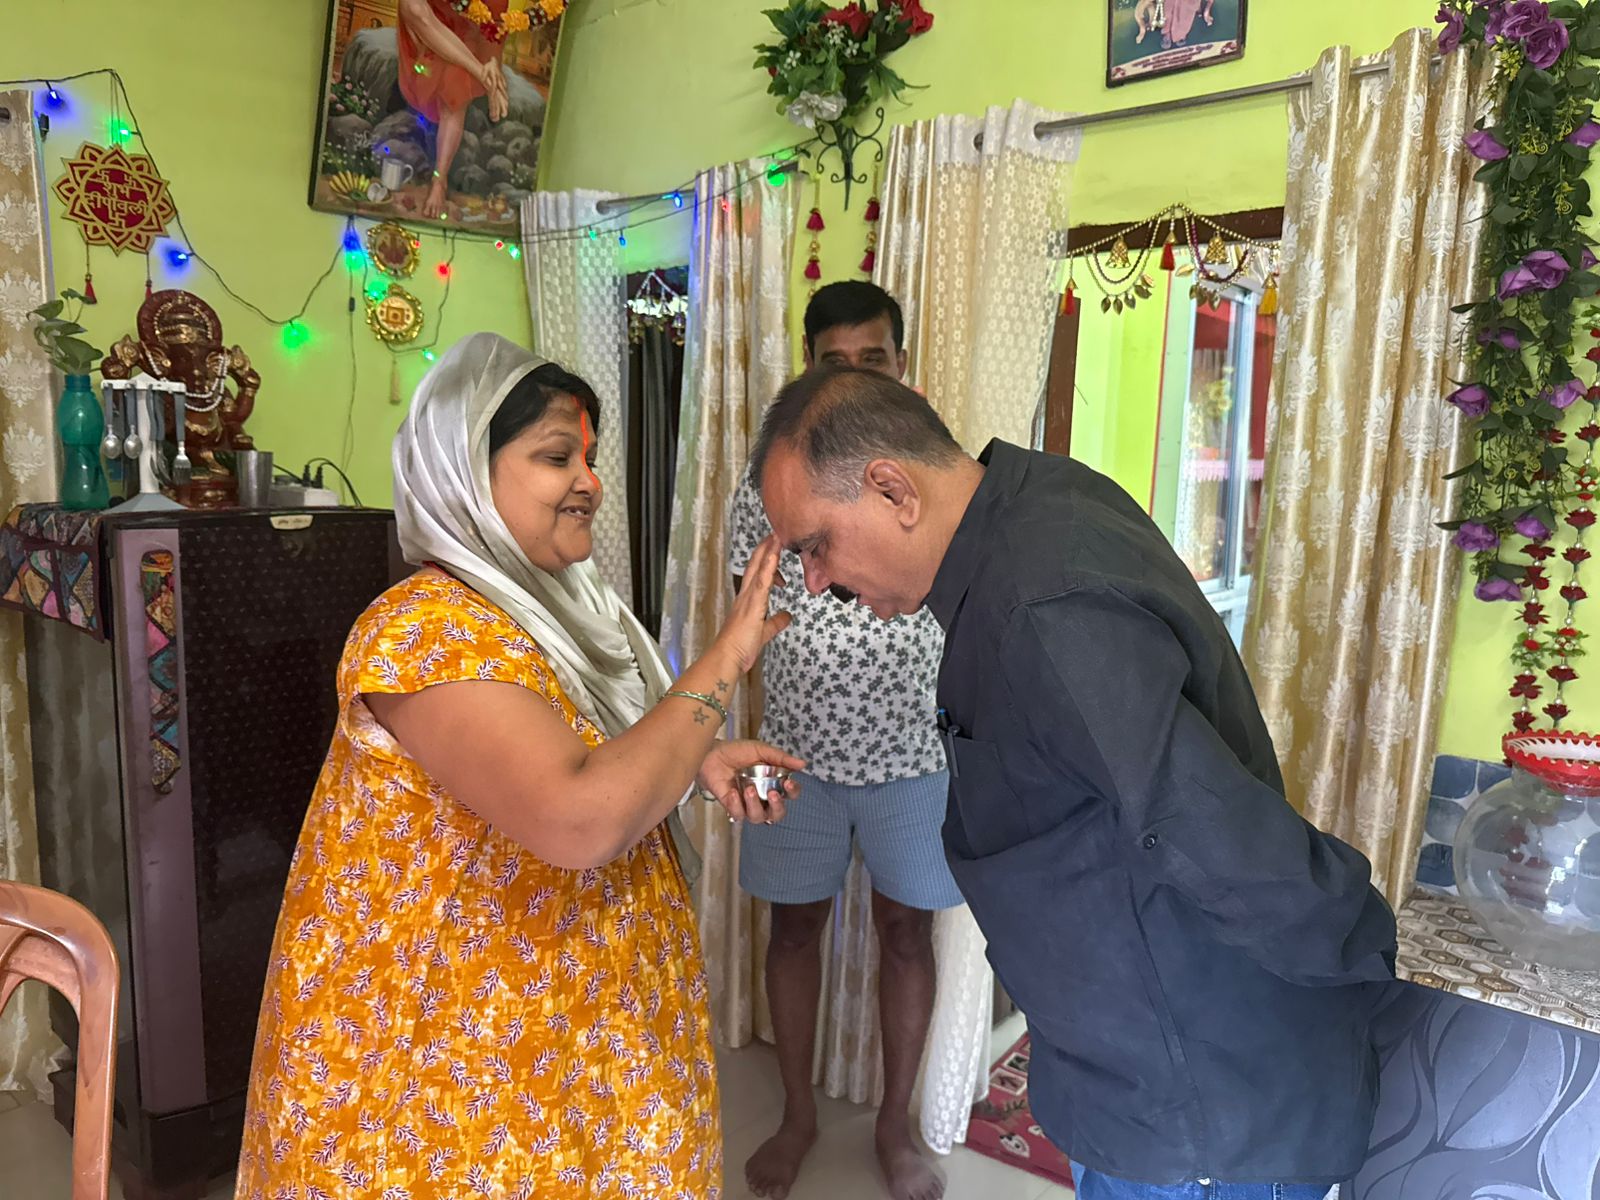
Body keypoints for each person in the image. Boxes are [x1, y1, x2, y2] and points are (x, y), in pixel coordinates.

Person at [750, 366, 1399, 1200]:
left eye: (815, 545)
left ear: (891, 490)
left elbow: (1203, 824)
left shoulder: (1038, 604)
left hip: (1194, 1107)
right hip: (1133, 1069)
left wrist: (1359, 958)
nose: (813, 582)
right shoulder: (1033, 506)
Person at [235, 333, 802, 1200]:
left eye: (590, 459)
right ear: (466, 471)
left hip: (574, 1035)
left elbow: (581, 753)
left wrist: (698, 762)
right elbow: (577, 815)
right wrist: (727, 658)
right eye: (556, 456)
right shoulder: (424, 628)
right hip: (458, 1069)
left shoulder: (563, 608)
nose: (590, 482)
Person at [729, 283, 959, 1200]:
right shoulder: (770, 479)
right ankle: (797, 1115)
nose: (858, 377)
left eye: (875, 359)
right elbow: (747, 622)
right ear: (809, 367)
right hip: (792, 755)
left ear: (902, 363)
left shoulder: (933, 473)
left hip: (916, 758)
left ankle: (895, 1126)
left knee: (908, 935)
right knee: (793, 931)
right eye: (836, 362)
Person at [397, 0, 512, 219]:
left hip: (468, 40)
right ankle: (481, 75)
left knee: (456, 81)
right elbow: (415, 12)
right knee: (411, 5)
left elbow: (494, 25)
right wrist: (485, 75)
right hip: (425, 37)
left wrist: (492, 63)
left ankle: (439, 180)